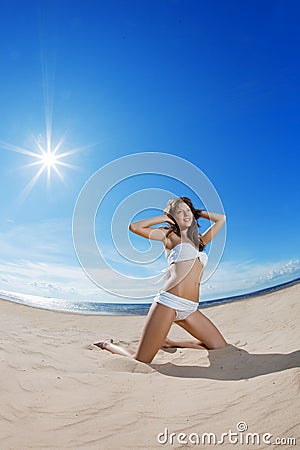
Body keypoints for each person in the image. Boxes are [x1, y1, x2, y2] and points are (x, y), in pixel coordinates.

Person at [94, 196, 227, 363]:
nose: (185, 215)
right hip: (169, 302)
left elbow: (221, 219)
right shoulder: (168, 235)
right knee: (142, 359)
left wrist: (196, 212)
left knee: (219, 345)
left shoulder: (198, 241)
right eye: (180, 212)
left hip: (191, 307)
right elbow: (135, 227)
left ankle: (168, 342)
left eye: (188, 211)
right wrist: (165, 218)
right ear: (172, 217)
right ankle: (107, 344)